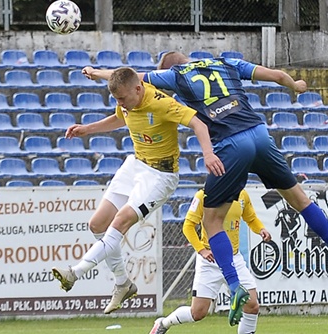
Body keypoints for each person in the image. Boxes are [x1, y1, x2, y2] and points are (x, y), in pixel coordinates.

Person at [83, 52, 328, 325]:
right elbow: (274, 75)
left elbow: (131, 77)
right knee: (300, 200)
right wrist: (294, 86)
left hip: (231, 145)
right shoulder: (226, 63)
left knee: (212, 220)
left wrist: (97, 73)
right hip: (260, 135)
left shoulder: (176, 74)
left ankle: (235, 285)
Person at [51, 67, 224, 314]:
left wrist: (208, 153)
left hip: (160, 175)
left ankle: (75, 272)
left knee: (120, 221)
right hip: (135, 164)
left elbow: (198, 123)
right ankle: (123, 283)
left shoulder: (161, 104)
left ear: (138, 89)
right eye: (116, 100)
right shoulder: (126, 100)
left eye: (122, 99)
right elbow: (120, 116)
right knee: (97, 224)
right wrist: (87, 129)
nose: (120, 104)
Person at [150, 188, 270, 334]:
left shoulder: (241, 194)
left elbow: (251, 219)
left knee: (252, 305)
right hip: (210, 262)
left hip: (234, 260)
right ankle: (163, 323)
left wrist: (261, 229)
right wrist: (202, 250)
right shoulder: (203, 195)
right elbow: (188, 226)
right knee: (198, 312)